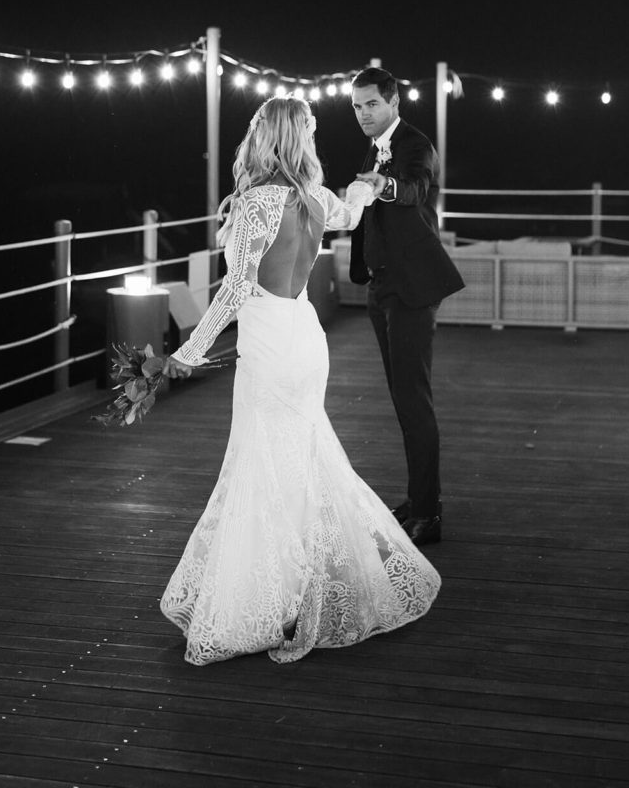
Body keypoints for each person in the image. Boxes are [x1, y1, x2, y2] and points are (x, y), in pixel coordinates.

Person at [160, 96, 441, 666]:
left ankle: (272, 598)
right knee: (302, 460)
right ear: (301, 140)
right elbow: (352, 213)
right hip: (306, 339)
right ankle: (298, 580)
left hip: (268, 348)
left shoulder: (258, 204)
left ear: (261, 139)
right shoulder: (315, 198)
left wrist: (187, 350)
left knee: (262, 465)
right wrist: (368, 186)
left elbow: (236, 290)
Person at [350, 67, 465, 547]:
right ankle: (418, 499)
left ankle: (428, 513)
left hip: (413, 290)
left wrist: (386, 187)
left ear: (393, 102)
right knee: (402, 397)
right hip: (382, 289)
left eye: (371, 105)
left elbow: (414, 186)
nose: (363, 115)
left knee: (414, 399)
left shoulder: (416, 144)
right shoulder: (375, 148)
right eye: (357, 107)